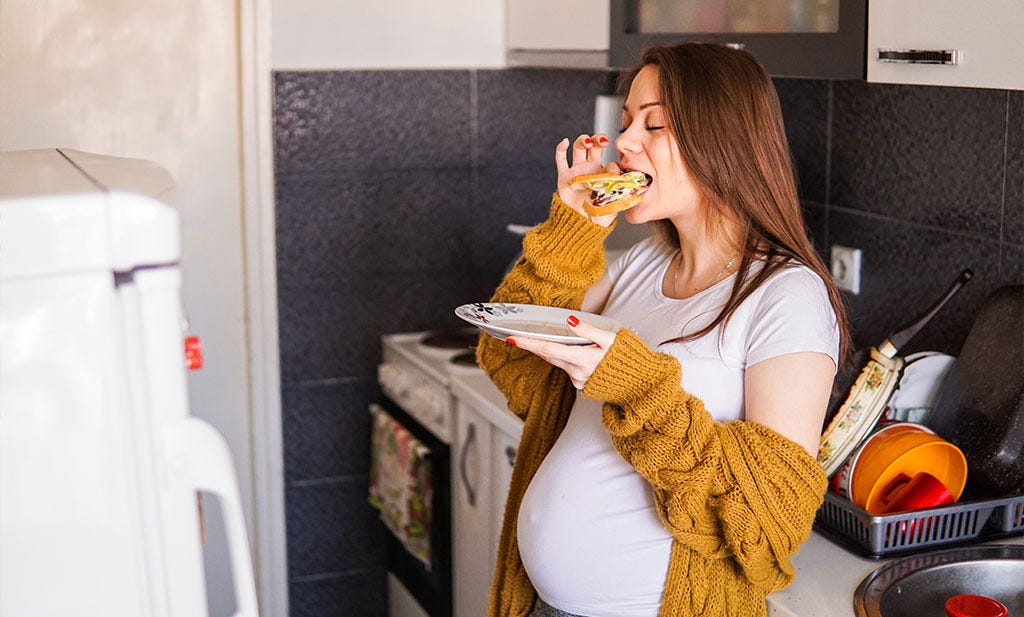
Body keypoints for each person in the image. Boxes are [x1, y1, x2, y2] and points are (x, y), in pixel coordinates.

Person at [475, 42, 851, 617]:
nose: (624, 143)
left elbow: (776, 519)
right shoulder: (641, 265)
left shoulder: (786, 295)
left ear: (721, 144)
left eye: (654, 125)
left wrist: (637, 386)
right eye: (627, 123)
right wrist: (572, 229)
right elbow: (515, 362)